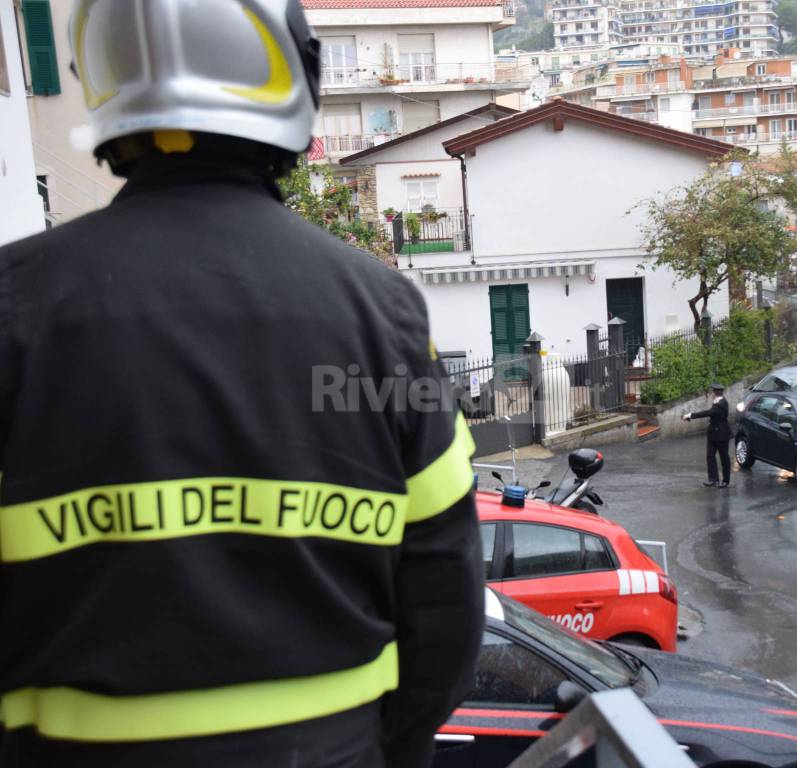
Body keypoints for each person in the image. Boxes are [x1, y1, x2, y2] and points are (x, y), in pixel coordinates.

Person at [0, 1, 483, 766]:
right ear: (292, 77)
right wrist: (388, 744)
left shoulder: (14, 304)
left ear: (102, 84)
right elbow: (447, 589)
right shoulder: (384, 311)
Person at [684, 383, 732, 489]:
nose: (712, 393)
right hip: (713, 434)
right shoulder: (717, 402)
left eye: (713, 392)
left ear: (716, 392)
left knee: (724, 458)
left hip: (722, 435)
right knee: (710, 456)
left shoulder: (721, 404)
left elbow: (708, 413)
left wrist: (690, 415)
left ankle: (725, 480)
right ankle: (713, 479)